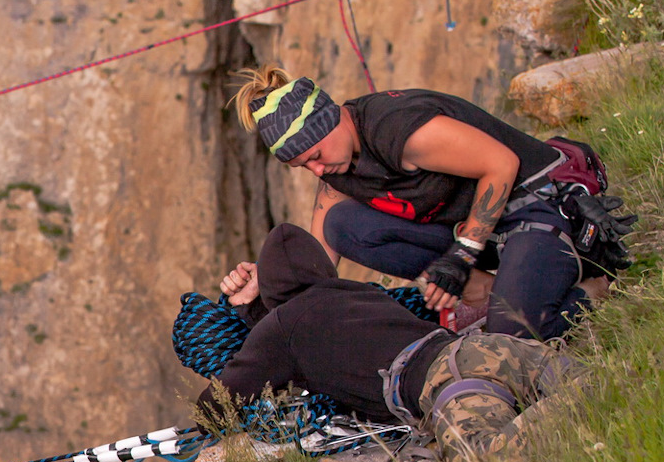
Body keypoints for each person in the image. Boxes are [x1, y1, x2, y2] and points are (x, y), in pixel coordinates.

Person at [231, 65, 618, 340]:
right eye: (303, 166)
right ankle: (484, 291)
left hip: (537, 206)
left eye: (314, 155)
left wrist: (461, 255)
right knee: (341, 223)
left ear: (329, 120)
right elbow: (316, 262)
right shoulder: (338, 168)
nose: (316, 170)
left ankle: (594, 287)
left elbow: (502, 164)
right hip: (490, 235)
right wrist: (268, 284)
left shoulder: (398, 129)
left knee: (514, 333)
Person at [198, 223, 585, 462]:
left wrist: (249, 309)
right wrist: (259, 309)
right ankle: (590, 392)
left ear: (273, 295)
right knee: (592, 381)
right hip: (483, 349)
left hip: (448, 384)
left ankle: (567, 407)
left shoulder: (283, 326)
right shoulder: (359, 294)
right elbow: (312, 335)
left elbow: (222, 399)